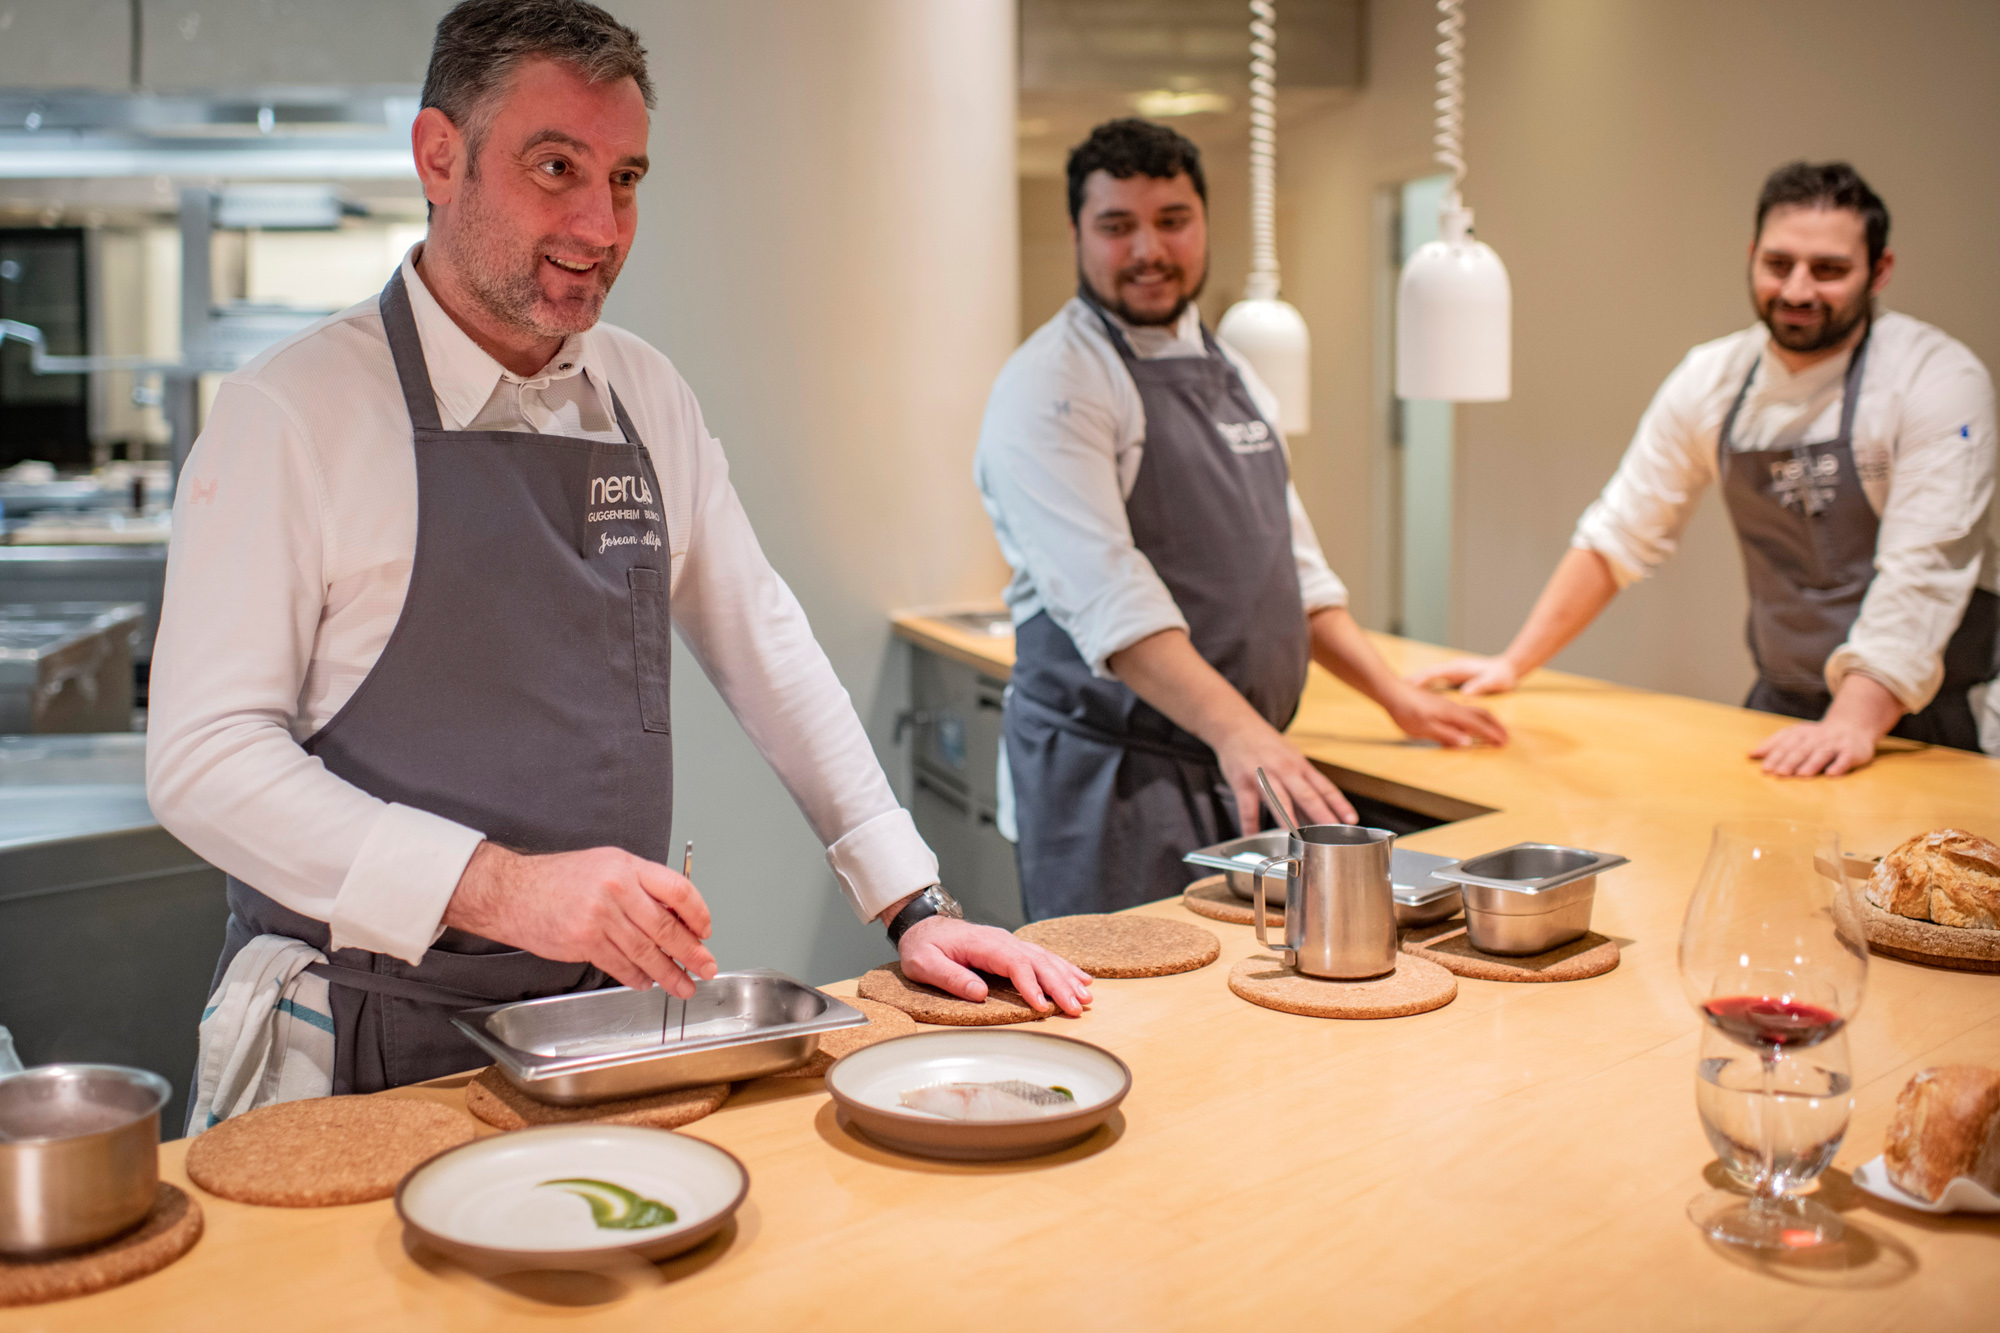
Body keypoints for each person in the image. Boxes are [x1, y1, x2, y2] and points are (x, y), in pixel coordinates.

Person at [146, 0, 1088, 1100]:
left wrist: (911, 903)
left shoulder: (642, 394)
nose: (600, 226)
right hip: (356, 1028)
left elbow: (763, 640)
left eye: (626, 179)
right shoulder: (293, 413)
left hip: (591, 1026)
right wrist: (499, 888)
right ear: (438, 157)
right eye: (555, 167)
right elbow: (203, 760)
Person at [975, 119, 1505, 920]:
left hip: (1236, 756)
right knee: (1140, 1021)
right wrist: (1246, 733)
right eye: (1118, 226)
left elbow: (1293, 568)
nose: (1149, 249)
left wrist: (1394, 696)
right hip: (1116, 780)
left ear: (1205, 224)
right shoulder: (1053, 383)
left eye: (1172, 221)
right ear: (1078, 234)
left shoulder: (1236, 369)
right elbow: (1111, 598)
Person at [1412, 162, 1998, 774]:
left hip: (1930, 718)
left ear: (1879, 271)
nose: (1797, 291)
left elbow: (1924, 571)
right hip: (1785, 703)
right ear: (1751, 256)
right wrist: (1513, 662)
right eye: (1778, 265)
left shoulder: (1936, 380)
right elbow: (1619, 534)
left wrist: (1852, 722)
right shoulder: (1713, 380)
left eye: (1828, 270)